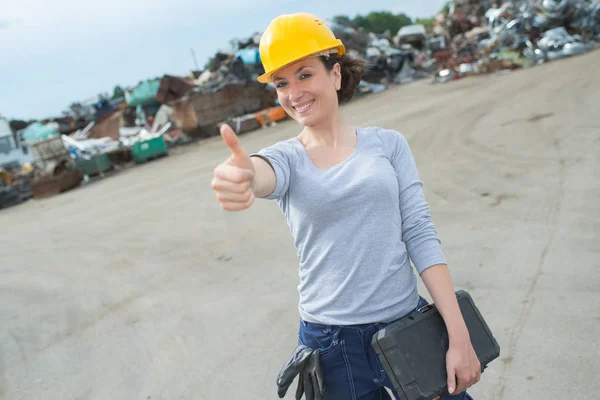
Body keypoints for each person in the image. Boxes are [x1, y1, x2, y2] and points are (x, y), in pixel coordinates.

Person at [211, 12, 481, 400]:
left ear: (335, 75)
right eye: (281, 83)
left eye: (305, 74)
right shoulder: (287, 158)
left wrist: (459, 335)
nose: (294, 93)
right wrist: (240, 174)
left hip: (406, 324)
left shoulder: (388, 144)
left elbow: (420, 233)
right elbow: (261, 172)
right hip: (331, 346)